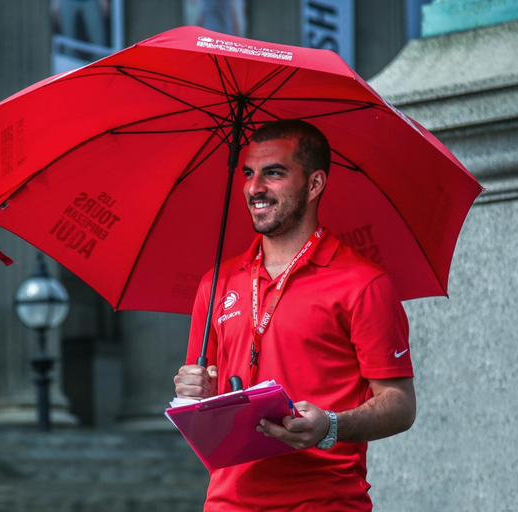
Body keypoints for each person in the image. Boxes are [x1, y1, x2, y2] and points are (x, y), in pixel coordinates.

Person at [173, 119, 416, 511]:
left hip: (324, 502)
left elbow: (401, 405)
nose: (255, 188)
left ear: (315, 183)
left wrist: (331, 426)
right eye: (249, 173)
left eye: (274, 173)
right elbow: (209, 402)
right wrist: (193, 393)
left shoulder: (364, 284)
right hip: (226, 504)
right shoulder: (215, 282)